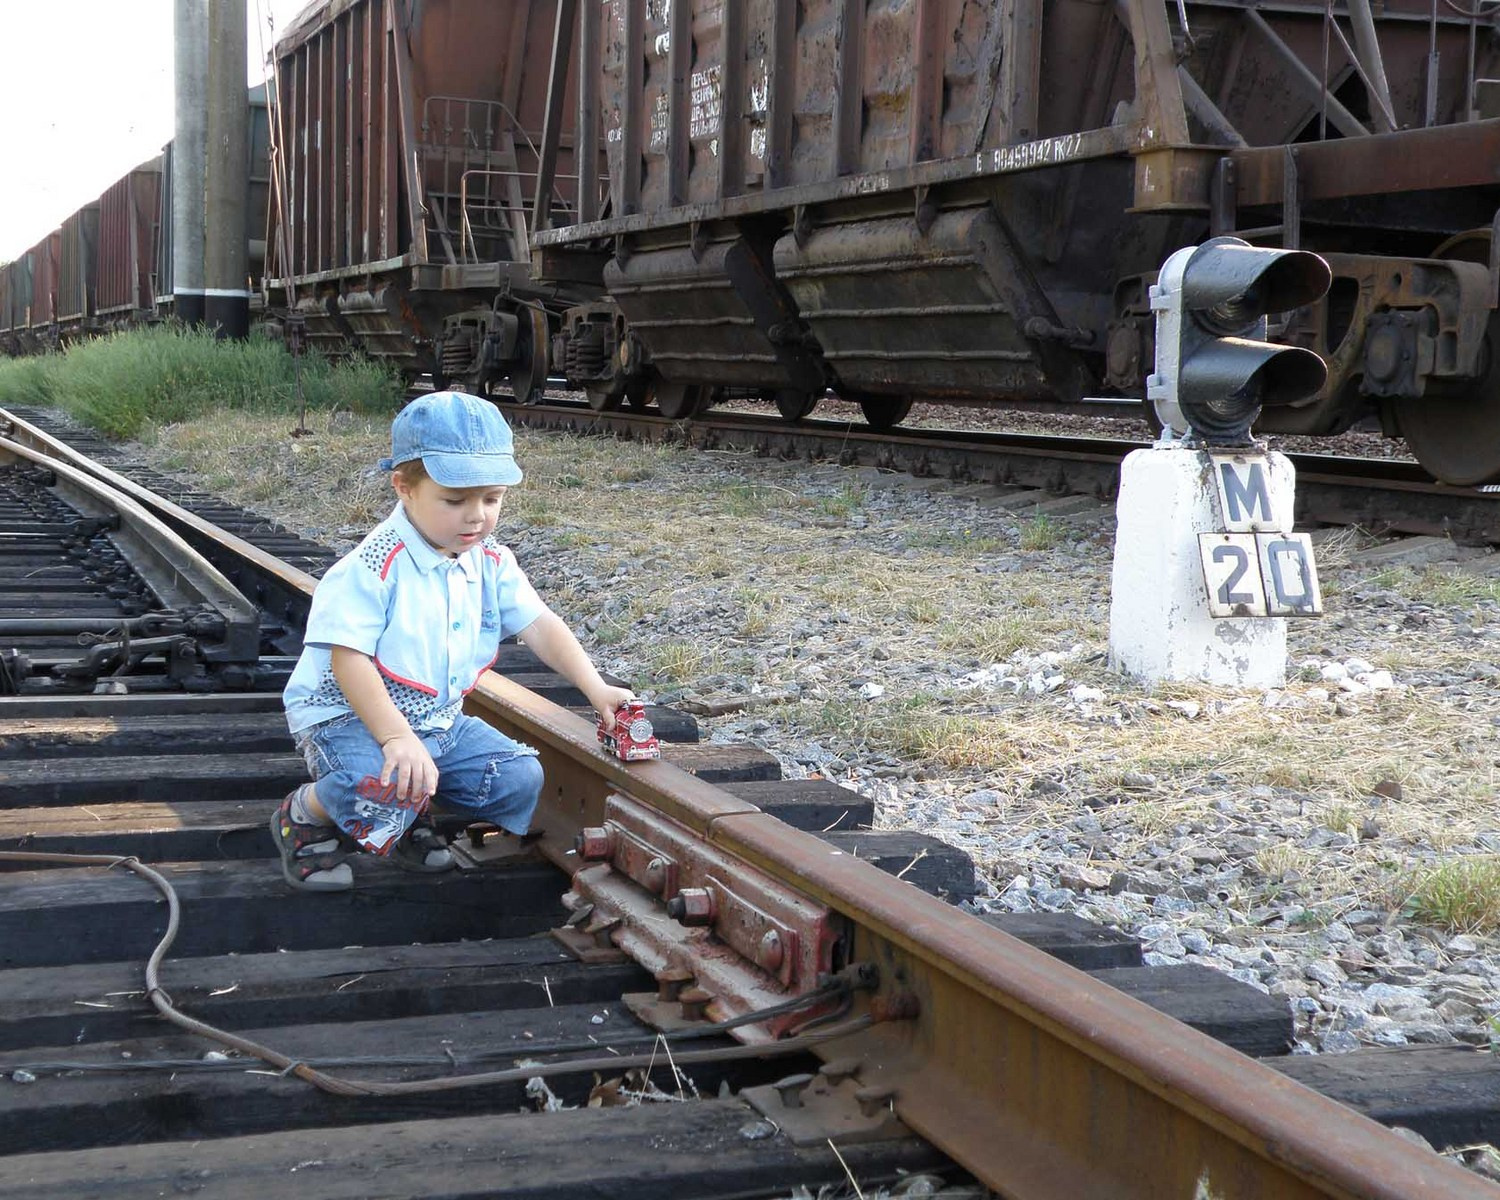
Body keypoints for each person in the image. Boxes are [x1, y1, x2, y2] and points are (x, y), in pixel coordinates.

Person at [273, 390, 635, 891]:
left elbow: (539, 624)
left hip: (435, 720)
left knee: (519, 778)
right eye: (455, 500)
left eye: (491, 499)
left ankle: (409, 808)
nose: (476, 516)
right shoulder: (373, 566)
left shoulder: (490, 560)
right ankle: (304, 814)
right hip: (348, 718)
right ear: (404, 488)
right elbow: (348, 661)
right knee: (375, 783)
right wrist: (396, 738)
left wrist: (596, 688)